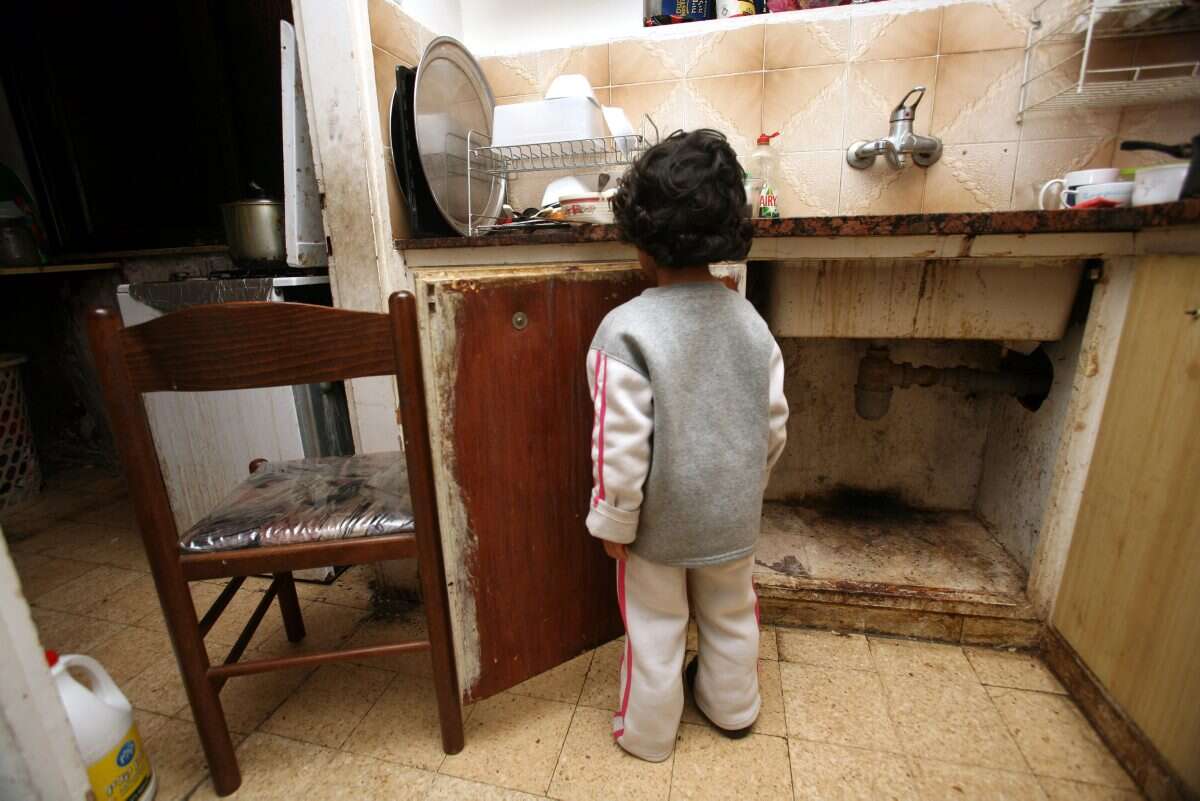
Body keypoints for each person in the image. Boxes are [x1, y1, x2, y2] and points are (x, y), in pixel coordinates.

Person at [585, 129, 789, 762]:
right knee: (732, 614)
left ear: (640, 241)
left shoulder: (625, 331)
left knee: (655, 627)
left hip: (657, 526)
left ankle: (647, 735)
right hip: (732, 516)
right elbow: (773, 424)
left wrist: (615, 520)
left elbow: (618, 444)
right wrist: (744, 489)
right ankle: (734, 709)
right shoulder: (750, 321)